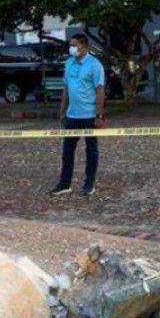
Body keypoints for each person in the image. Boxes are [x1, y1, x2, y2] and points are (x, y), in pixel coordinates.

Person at [49, 33, 106, 196]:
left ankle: (89, 184)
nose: (72, 48)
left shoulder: (95, 65)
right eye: (71, 45)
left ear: (84, 46)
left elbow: (100, 91)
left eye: (75, 45)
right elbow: (66, 88)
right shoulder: (69, 64)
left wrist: (99, 115)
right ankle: (64, 183)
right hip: (72, 116)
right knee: (67, 151)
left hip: (89, 115)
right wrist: (62, 111)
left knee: (91, 150)